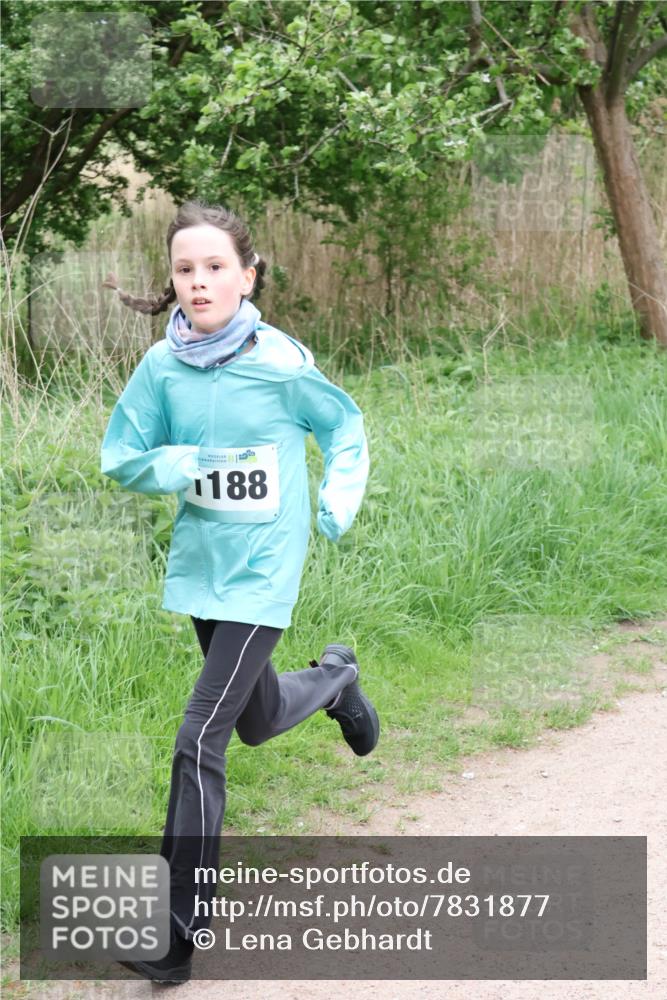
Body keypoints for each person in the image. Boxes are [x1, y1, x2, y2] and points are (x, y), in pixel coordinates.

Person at [99, 199, 380, 984]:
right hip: (204, 563)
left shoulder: (280, 362)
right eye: (185, 269)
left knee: (199, 738)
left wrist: (336, 500)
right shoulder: (160, 368)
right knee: (252, 721)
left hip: (265, 563)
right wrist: (179, 465)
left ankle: (174, 931)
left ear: (247, 276)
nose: (199, 281)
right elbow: (120, 454)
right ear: (173, 279)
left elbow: (345, 429)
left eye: (216, 266)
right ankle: (335, 681)